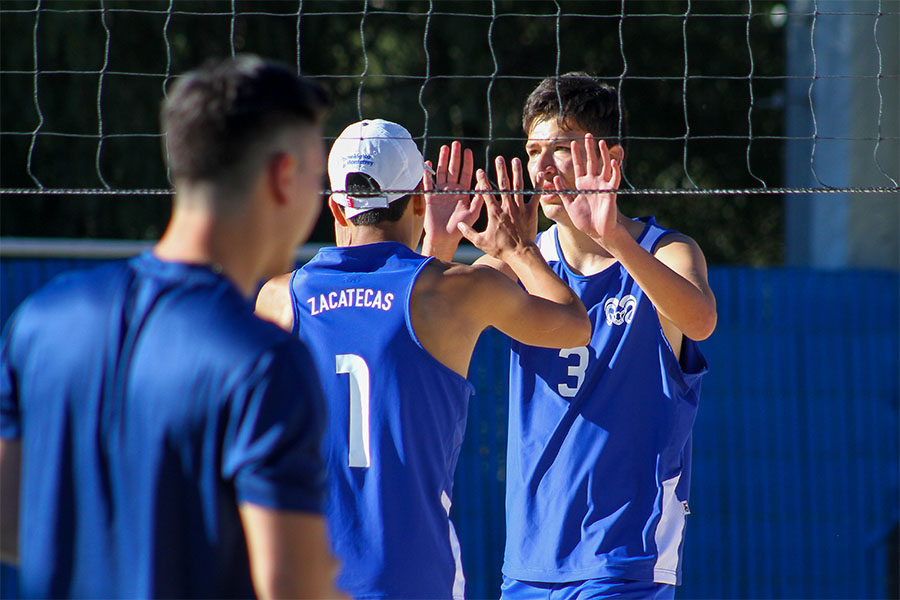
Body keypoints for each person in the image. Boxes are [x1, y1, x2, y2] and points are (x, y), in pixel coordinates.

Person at [0, 55, 344, 598]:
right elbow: (291, 588)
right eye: (318, 179)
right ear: (283, 177)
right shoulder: (263, 361)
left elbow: (11, 523)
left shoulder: (38, 322)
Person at [254, 118, 592, 598]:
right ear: (418, 199)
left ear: (335, 206)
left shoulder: (277, 299)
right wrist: (519, 248)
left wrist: (432, 251)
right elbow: (575, 326)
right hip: (412, 574)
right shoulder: (456, 292)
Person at [467, 73, 718, 598]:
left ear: (610, 161)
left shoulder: (666, 252)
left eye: (560, 148)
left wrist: (613, 237)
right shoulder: (518, 261)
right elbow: (424, 322)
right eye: (534, 149)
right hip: (529, 563)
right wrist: (438, 246)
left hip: (624, 559)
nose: (540, 165)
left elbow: (700, 321)